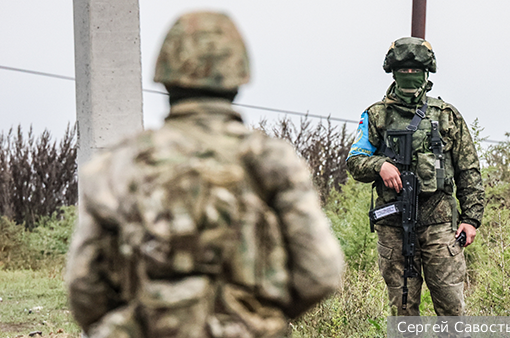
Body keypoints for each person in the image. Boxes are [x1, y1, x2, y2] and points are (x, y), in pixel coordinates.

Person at [65, 11, 344, 338]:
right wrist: (260, 319)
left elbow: (84, 288)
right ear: (238, 78)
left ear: (165, 76)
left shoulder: (117, 164)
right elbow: (320, 273)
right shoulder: (271, 160)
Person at [346, 37, 484, 316]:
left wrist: (471, 220)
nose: (409, 75)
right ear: (393, 73)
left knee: (451, 309)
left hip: (440, 226)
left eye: (415, 70)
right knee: (403, 309)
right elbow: (355, 160)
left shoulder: (446, 115)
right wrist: (380, 165)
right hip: (394, 226)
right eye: (403, 70)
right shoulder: (376, 115)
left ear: (426, 73)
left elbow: (468, 170)